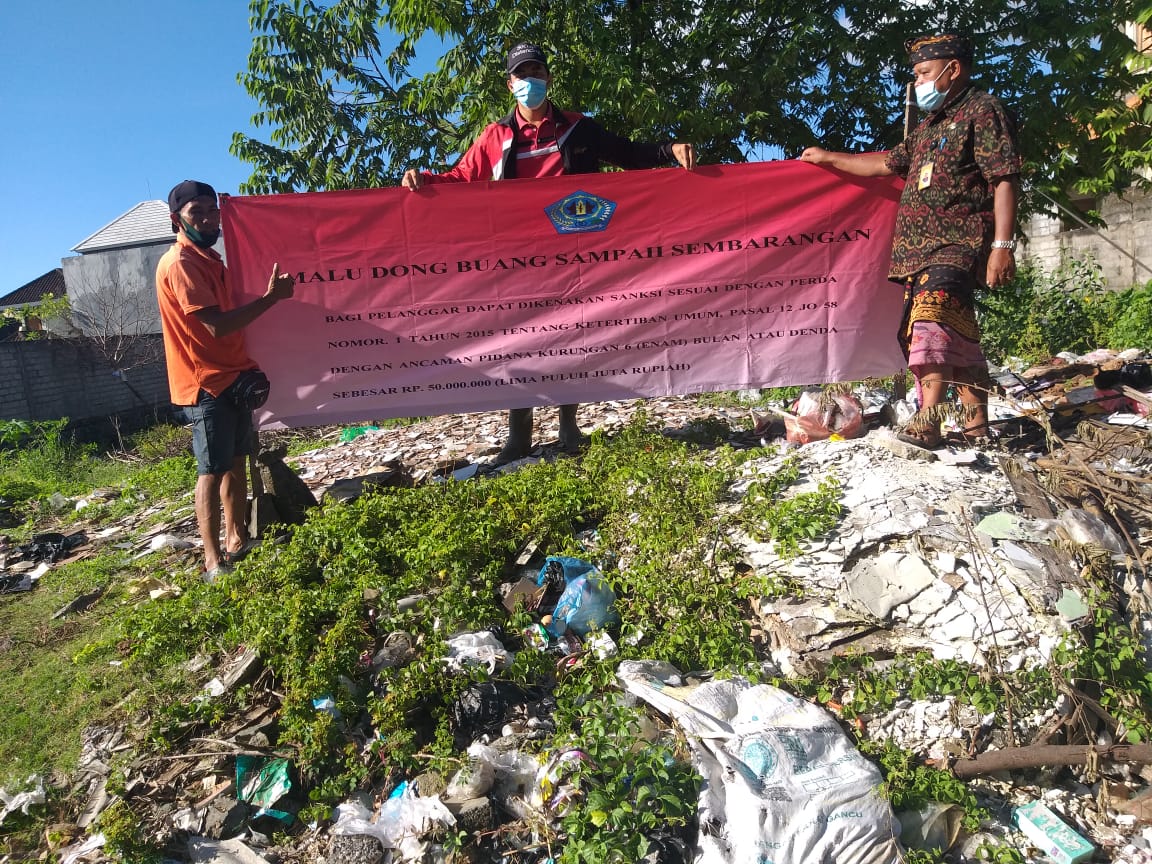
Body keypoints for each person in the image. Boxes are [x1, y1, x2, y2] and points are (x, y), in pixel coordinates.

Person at [403, 41, 697, 463]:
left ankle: (569, 428)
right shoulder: (496, 136)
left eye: (536, 72)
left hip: (576, 256)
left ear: (549, 78)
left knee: (572, 340)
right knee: (519, 343)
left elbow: (629, 153)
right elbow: (462, 177)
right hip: (519, 259)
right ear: (510, 85)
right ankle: (518, 437)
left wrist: (670, 151)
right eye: (522, 75)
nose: (530, 81)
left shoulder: (579, 128)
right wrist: (424, 179)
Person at [800, 32, 1021, 449]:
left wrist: (1002, 247)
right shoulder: (928, 127)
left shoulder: (983, 110)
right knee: (958, 333)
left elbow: (1004, 179)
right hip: (916, 254)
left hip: (958, 242)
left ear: (952, 69)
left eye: (923, 72)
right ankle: (977, 428)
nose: (917, 82)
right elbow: (885, 163)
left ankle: (928, 421)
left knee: (930, 325)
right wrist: (829, 158)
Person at [156, 180, 295, 580]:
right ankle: (213, 561)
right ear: (176, 219)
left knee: (234, 464)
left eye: (212, 211)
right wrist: (270, 299)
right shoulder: (181, 263)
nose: (207, 219)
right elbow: (215, 326)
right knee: (212, 470)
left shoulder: (210, 260)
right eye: (196, 212)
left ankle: (237, 540)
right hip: (206, 384)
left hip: (232, 377)